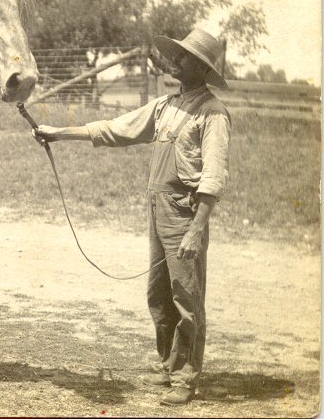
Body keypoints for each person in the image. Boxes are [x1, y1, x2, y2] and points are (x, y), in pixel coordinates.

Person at [33, 29, 231, 406]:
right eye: (178, 55)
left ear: (203, 70)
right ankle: (168, 365)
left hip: (185, 213)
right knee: (158, 296)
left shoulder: (213, 114)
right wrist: (58, 133)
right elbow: (116, 129)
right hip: (158, 209)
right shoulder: (164, 106)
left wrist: (196, 229)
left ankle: (186, 379)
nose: (177, 61)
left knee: (186, 297)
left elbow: (213, 177)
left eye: (186, 58)